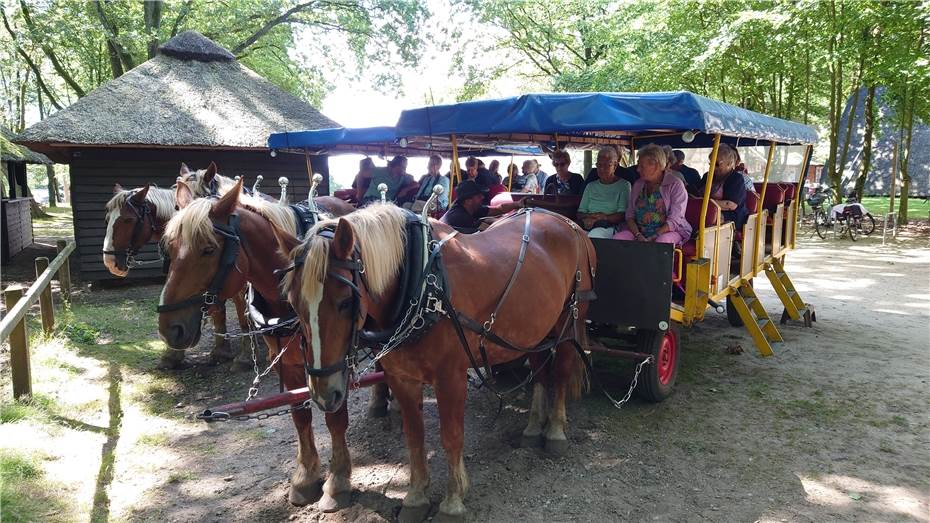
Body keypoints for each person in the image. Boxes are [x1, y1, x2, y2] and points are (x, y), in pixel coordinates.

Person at [613, 144, 691, 245]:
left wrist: (654, 236)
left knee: (661, 243)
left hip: (669, 231)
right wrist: (638, 235)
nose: (638, 170)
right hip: (639, 232)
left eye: (642, 166)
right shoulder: (638, 184)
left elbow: (674, 220)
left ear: (656, 166)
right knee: (617, 238)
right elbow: (630, 215)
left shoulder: (675, 185)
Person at [577, 145, 631, 238]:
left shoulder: (624, 185)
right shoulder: (590, 186)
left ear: (615, 166)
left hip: (610, 226)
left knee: (593, 236)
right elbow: (580, 213)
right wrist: (590, 217)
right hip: (588, 224)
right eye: (599, 165)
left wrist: (604, 217)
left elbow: (623, 215)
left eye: (607, 165)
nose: (602, 169)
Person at [696, 143, 748, 227]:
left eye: (716, 164)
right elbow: (697, 194)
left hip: (731, 215)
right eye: (711, 164)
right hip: (706, 210)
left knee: (710, 217)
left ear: (729, 163)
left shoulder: (736, 178)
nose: (713, 167)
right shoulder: (708, 176)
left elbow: (731, 205)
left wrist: (705, 203)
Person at [441, 180, 520, 234]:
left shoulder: (469, 207)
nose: (482, 197)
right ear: (468, 201)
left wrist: (518, 204)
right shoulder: (459, 216)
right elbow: (490, 231)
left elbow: (499, 209)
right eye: (478, 196)